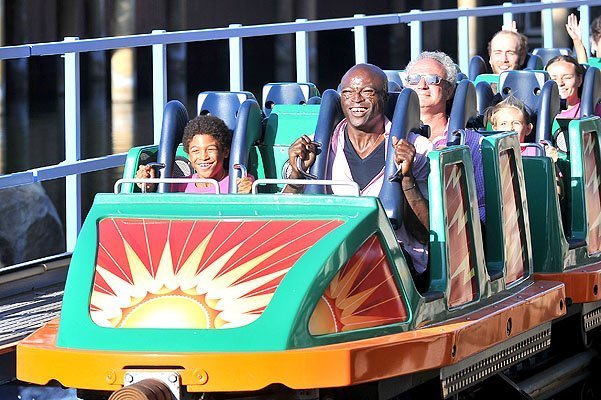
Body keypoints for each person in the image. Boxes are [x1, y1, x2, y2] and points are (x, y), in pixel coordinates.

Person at [285, 63, 431, 276]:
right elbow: (287, 219)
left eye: (367, 92)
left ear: (384, 98)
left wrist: (407, 179)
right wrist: (296, 175)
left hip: (392, 258)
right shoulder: (316, 148)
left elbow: (425, 234)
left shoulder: (416, 148)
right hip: (328, 254)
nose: (356, 99)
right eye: (348, 92)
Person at [404, 51, 486, 222]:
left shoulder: (472, 142)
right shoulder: (390, 135)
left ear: (449, 91)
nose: (422, 85)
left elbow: (481, 208)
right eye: (414, 79)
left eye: (432, 79)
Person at [136, 115, 253, 194]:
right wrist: (149, 186)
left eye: (210, 149)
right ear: (189, 156)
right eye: (196, 151)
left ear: (225, 152)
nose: (203, 157)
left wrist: (249, 192)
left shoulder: (238, 182)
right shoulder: (178, 185)